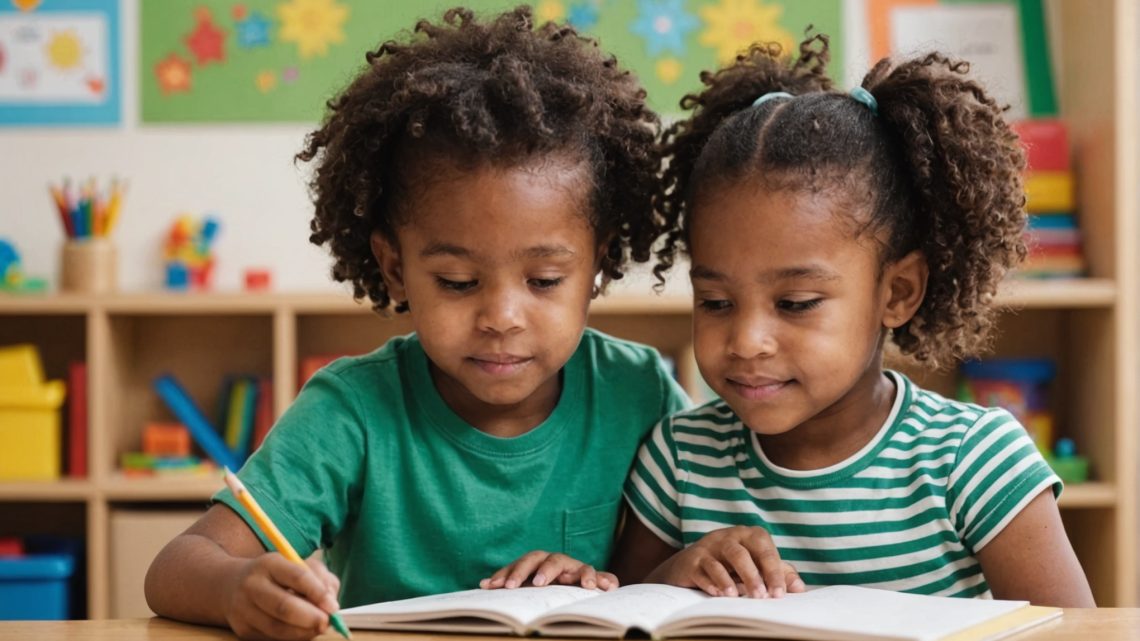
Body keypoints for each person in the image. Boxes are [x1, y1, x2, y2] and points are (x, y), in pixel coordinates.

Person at [493, 34, 1095, 608]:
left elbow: (1078, 635)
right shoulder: (679, 459)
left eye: (797, 303)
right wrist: (673, 574)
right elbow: (625, 612)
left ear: (899, 292)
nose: (747, 341)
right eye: (717, 302)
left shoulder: (971, 461)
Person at [144, 7, 689, 640]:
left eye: (544, 282)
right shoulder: (353, 410)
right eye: (458, 283)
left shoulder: (640, 393)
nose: (502, 319)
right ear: (395, 267)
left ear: (597, 265)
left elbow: (689, 562)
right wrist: (239, 588)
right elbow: (173, 569)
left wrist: (611, 586)